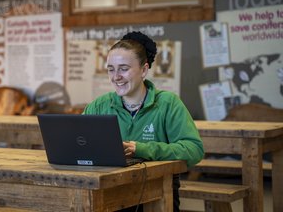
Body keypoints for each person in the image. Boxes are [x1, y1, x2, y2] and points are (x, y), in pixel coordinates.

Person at [82, 31, 204, 212]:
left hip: (157, 191)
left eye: (123, 69)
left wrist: (142, 149)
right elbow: (79, 141)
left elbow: (194, 150)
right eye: (111, 69)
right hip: (109, 189)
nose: (116, 76)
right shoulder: (100, 105)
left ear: (144, 70)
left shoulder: (168, 103)